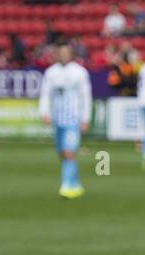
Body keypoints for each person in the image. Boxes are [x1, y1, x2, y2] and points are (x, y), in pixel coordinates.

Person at [39, 41, 92, 199]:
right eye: (61, 52)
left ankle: (66, 185)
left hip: (73, 119)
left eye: (66, 52)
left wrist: (85, 118)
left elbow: (86, 96)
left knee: (69, 152)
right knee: (62, 153)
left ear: (71, 55)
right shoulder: (51, 72)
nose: (63, 55)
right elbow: (45, 94)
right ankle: (76, 184)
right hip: (57, 119)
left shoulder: (80, 72)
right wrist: (44, 113)